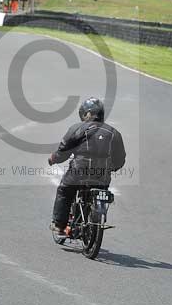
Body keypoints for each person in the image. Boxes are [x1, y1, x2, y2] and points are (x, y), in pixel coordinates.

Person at [47, 97, 126, 236]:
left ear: (87, 113)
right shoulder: (114, 133)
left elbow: (63, 151)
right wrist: (111, 168)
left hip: (78, 173)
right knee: (101, 190)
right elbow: (120, 159)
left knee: (64, 191)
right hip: (102, 176)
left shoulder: (77, 128)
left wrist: (54, 158)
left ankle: (59, 225)